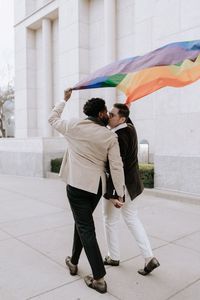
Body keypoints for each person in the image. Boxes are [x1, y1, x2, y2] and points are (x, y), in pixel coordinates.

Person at [48, 89, 125, 293]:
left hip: (76, 185)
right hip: (96, 188)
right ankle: (73, 261)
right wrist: (120, 194)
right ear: (100, 113)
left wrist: (64, 100)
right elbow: (116, 167)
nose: (108, 115)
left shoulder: (73, 125)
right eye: (106, 111)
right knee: (82, 223)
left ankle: (99, 278)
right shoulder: (109, 136)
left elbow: (52, 118)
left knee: (85, 227)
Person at [103, 103, 160, 276]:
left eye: (112, 114)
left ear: (121, 118)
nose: (108, 116)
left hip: (122, 186)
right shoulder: (130, 128)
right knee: (132, 219)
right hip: (133, 184)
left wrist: (114, 193)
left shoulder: (118, 137)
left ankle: (113, 256)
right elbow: (128, 117)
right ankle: (149, 257)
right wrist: (127, 103)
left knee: (110, 220)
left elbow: (116, 167)